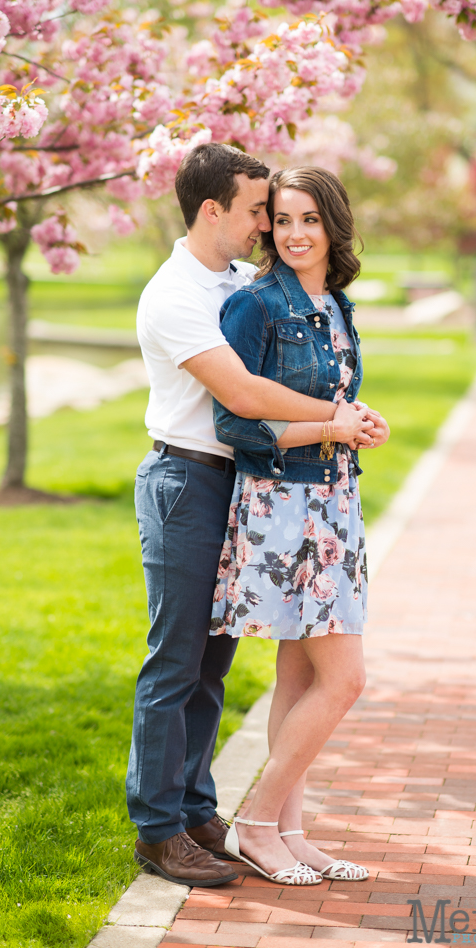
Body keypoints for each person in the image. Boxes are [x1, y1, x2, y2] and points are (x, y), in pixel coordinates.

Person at [127, 144, 386, 888]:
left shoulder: (240, 279)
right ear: (213, 210)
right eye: (255, 213)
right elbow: (241, 397)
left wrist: (341, 421)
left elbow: (291, 316)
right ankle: (156, 829)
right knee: (175, 661)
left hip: (241, 483)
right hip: (187, 479)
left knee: (212, 664)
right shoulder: (175, 295)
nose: (264, 229)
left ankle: (195, 807)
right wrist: (342, 418)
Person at [211, 166, 388, 885]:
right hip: (283, 506)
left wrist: (356, 426)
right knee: (344, 680)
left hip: (333, 500)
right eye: (281, 220)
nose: (293, 234)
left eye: (308, 220)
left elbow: (332, 409)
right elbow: (235, 423)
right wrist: (327, 425)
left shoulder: (336, 303)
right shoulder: (254, 307)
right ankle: (254, 822)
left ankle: (289, 832)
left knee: (299, 672)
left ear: (332, 225)